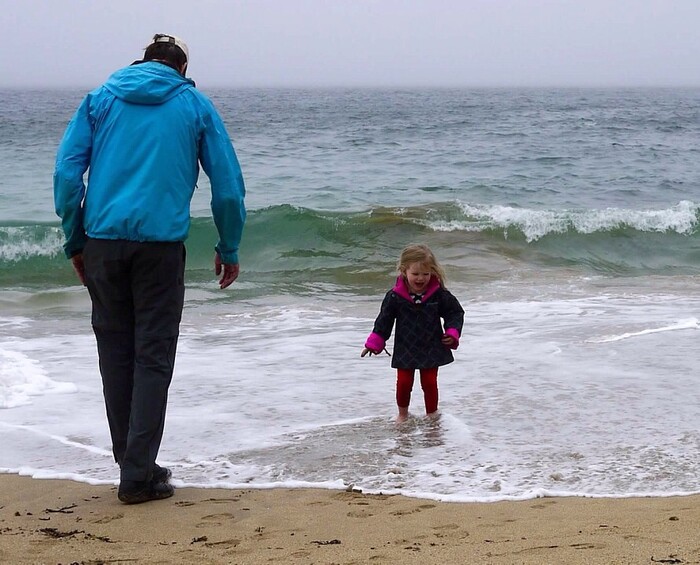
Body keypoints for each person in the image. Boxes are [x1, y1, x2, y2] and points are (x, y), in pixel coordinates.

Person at [53, 34, 246, 504]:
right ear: (182, 68)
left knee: (114, 355)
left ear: (141, 62)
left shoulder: (100, 99)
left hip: (102, 244)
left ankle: (132, 464)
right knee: (152, 357)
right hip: (158, 251)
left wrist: (75, 240)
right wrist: (229, 245)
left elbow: (65, 173)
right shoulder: (194, 104)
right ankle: (137, 474)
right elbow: (226, 187)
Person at [362, 244, 464, 422]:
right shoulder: (394, 296)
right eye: (415, 274)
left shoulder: (438, 294)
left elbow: (455, 312)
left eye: (426, 274)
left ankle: (432, 414)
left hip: (431, 345)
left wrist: (452, 332)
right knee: (403, 384)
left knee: (430, 383)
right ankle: (402, 415)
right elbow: (384, 321)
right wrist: (375, 342)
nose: (421, 278)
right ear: (403, 271)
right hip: (406, 346)